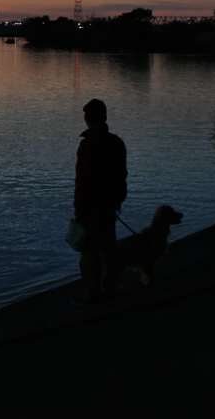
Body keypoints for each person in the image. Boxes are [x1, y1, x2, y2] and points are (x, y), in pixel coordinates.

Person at [73, 98, 127, 305]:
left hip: (91, 206)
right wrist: (118, 201)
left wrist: (79, 206)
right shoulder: (116, 142)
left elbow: (84, 178)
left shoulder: (88, 144)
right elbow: (122, 175)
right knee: (108, 249)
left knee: (89, 253)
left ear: (88, 118)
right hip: (109, 205)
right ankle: (110, 289)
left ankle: (93, 294)